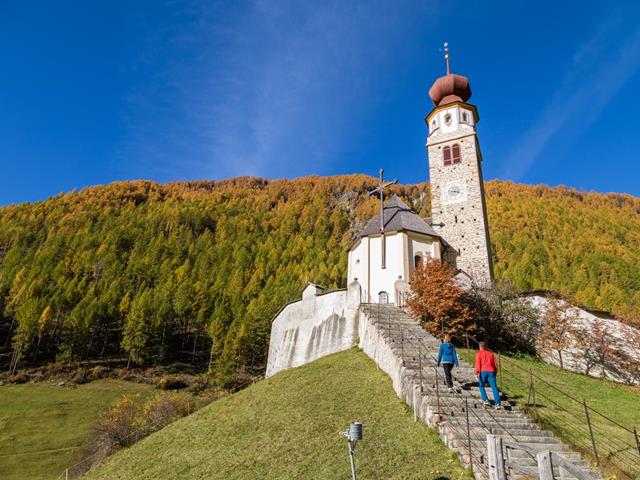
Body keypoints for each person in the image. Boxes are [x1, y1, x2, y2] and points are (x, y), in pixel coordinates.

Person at [475, 341, 501, 409]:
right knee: (494, 387)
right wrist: (495, 373)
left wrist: (477, 373)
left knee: (481, 385)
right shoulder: (491, 353)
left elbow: (478, 363)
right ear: (485, 346)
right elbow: (496, 365)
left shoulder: (479, 353)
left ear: (479, 347)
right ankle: (497, 404)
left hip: (483, 371)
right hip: (491, 371)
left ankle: (485, 400)